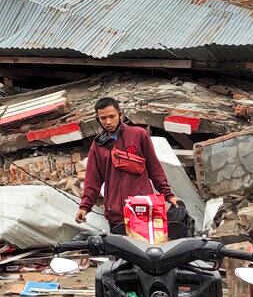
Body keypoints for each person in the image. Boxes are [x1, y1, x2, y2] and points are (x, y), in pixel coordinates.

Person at [76, 97, 181, 232]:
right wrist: (84, 207)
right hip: (115, 213)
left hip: (142, 210)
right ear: (98, 119)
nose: (108, 122)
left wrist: (169, 195)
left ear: (120, 115)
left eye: (112, 116)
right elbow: (92, 180)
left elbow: (154, 169)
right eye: (103, 118)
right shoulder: (97, 146)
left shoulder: (138, 135)